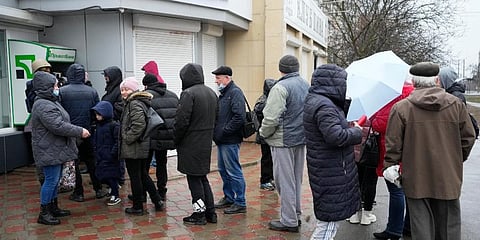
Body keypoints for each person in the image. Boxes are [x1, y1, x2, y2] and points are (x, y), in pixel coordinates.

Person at [383, 62, 476, 240]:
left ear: (414, 82)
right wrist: (454, 159)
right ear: (436, 80)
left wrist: (392, 166)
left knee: (421, 227)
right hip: (448, 175)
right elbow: (468, 138)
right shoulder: (456, 105)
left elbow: (393, 145)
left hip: (415, 176)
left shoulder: (402, 108)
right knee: (449, 227)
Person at [303, 64, 362, 238]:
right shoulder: (325, 106)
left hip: (327, 167)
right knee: (327, 225)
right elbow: (335, 136)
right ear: (334, 83)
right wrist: (356, 132)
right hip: (330, 169)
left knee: (328, 223)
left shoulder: (319, 100)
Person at [30, 71, 90, 225]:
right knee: (50, 180)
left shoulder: (50, 101)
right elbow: (57, 125)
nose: (58, 88)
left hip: (54, 148)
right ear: (46, 87)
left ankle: (53, 207)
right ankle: (44, 212)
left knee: (54, 180)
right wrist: (79, 131)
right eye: (55, 85)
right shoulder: (43, 104)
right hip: (48, 149)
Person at [259, 55, 309, 232]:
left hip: (283, 141)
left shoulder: (280, 88)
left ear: (281, 69)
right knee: (296, 179)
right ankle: (295, 214)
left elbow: (271, 118)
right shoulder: (305, 84)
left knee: (284, 181)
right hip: (300, 139)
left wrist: (263, 133)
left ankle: (289, 220)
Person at [175, 63, 218, 225]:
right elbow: (217, 117)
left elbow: (181, 121)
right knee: (202, 178)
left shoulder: (188, 94)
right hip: (205, 142)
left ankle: (199, 213)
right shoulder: (211, 93)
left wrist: (176, 140)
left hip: (190, 143)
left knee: (194, 180)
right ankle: (211, 213)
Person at [372, 81, 414, 240]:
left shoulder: (391, 98)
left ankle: (394, 229)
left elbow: (379, 124)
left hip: (392, 150)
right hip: (411, 150)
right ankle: (408, 226)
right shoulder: (412, 93)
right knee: (410, 191)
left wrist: (374, 115)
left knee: (396, 190)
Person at [60, 63, 106, 202]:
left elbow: (59, 112)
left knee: (74, 162)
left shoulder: (62, 91)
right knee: (91, 161)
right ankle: (98, 189)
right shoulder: (91, 91)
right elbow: (97, 111)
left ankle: (78, 192)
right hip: (87, 131)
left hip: (70, 132)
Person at [119, 77, 164, 215]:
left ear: (133, 90)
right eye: (122, 90)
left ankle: (138, 206)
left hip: (135, 146)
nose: (124, 92)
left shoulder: (134, 103)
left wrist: (127, 137)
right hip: (139, 145)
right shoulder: (136, 102)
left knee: (135, 177)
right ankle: (157, 200)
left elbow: (139, 125)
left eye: (126, 89)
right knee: (142, 175)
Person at [212, 65, 248, 215]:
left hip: (230, 140)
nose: (216, 81)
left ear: (227, 78)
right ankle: (229, 197)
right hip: (222, 140)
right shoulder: (225, 93)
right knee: (223, 170)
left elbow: (239, 117)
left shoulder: (234, 92)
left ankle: (240, 201)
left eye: (218, 78)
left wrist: (225, 131)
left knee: (233, 171)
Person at [142, 73, 179, 201]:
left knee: (144, 165)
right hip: (167, 136)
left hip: (151, 136)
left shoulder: (146, 96)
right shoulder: (173, 95)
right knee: (162, 163)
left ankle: (143, 191)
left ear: (146, 85)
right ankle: (162, 190)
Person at [26, 59, 53, 186]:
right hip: (43, 122)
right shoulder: (32, 86)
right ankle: (45, 181)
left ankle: (46, 181)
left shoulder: (32, 85)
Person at [91, 101, 122, 206]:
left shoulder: (113, 125)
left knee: (111, 175)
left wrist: (113, 153)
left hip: (110, 157)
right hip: (101, 155)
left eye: (99, 114)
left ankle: (115, 194)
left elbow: (117, 141)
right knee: (103, 175)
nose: (97, 116)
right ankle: (113, 189)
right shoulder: (98, 126)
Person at [101, 66, 126, 185]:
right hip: (108, 126)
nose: (105, 78)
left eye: (107, 76)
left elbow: (120, 108)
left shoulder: (119, 91)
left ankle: (119, 177)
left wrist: (109, 112)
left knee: (117, 153)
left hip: (115, 126)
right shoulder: (110, 90)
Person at [254, 78, 277, 191]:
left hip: (268, 135)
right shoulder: (264, 101)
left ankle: (270, 178)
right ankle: (265, 180)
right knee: (267, 158)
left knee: (271, 158)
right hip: (265, 135)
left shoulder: (268, 99)